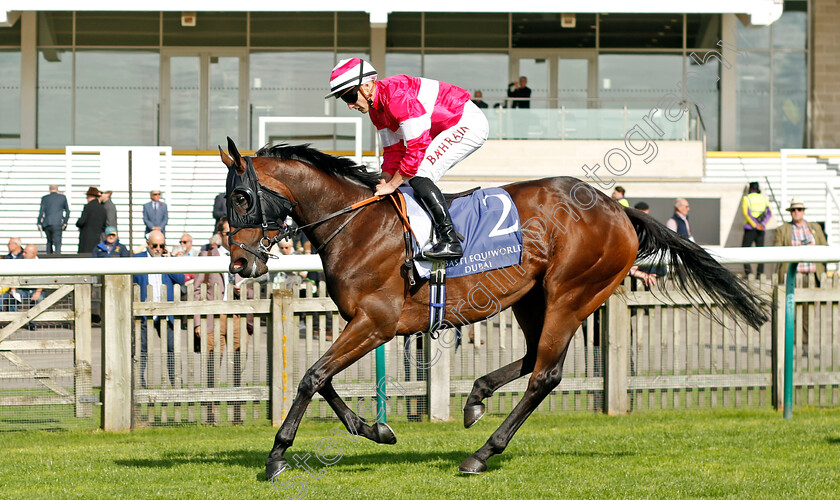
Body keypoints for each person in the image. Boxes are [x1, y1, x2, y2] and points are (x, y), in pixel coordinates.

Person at [326, 57, 489, 259]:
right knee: (404, 181)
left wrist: (392, 184)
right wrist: (382, 183)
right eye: (344, 100)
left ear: (366, 86)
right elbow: (393, 153)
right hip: (441, 128)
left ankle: (450, 241)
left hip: (466, 122)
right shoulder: (376, 111)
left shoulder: (396, 97)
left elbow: (416, 148)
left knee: (419, 174)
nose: (350, 105)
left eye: (349, 96)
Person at [133, 230, 185, 388]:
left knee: (172, 349)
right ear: (148, 245)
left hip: (165, 313)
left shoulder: (167, 259)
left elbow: (180, 279)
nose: (157, 248)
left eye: (161, 245)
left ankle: (177, 384)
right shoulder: (137, 259)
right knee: (141, 349)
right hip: (145, 312)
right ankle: (139, 384)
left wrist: (169, 260)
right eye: (154, 245)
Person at [774, 198, 828, 285]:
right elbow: (777, 251)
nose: (796, 212)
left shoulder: (815, 227)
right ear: (790, 212)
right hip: (792, 277)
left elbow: (825, 247)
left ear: (803, 211)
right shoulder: (782, 229)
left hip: (814, 276)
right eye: (793, 210)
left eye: (799, 209)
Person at [741, 181, 772, 277]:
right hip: (761, 229)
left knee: (744, 251)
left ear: (750, 189)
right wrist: (762, 224)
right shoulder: (763, 198)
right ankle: (760, 274)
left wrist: (755, 225)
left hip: (750, 228)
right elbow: (769, 213)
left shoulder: (746, 198)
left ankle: (748, 273)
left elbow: (746, 213)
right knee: (761, 252)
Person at [37, 184, 70, 254]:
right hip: (58, 223)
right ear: (57, 190)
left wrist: (39, 222)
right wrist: (65, 222)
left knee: (49, 242)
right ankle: (57, 257)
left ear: (49, 190)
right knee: (58, 243)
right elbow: (67, 211)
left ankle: (49, 256)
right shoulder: (62, 198)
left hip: (47, 223)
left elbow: (41, 211)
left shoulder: (45, 198)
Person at [75, 187, 106, 254]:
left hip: (86, 238)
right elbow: (104, 225)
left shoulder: (88, 207)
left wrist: (78, 222)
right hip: (97, 239)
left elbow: (81, 222)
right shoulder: (102, 208)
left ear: (89, 196)